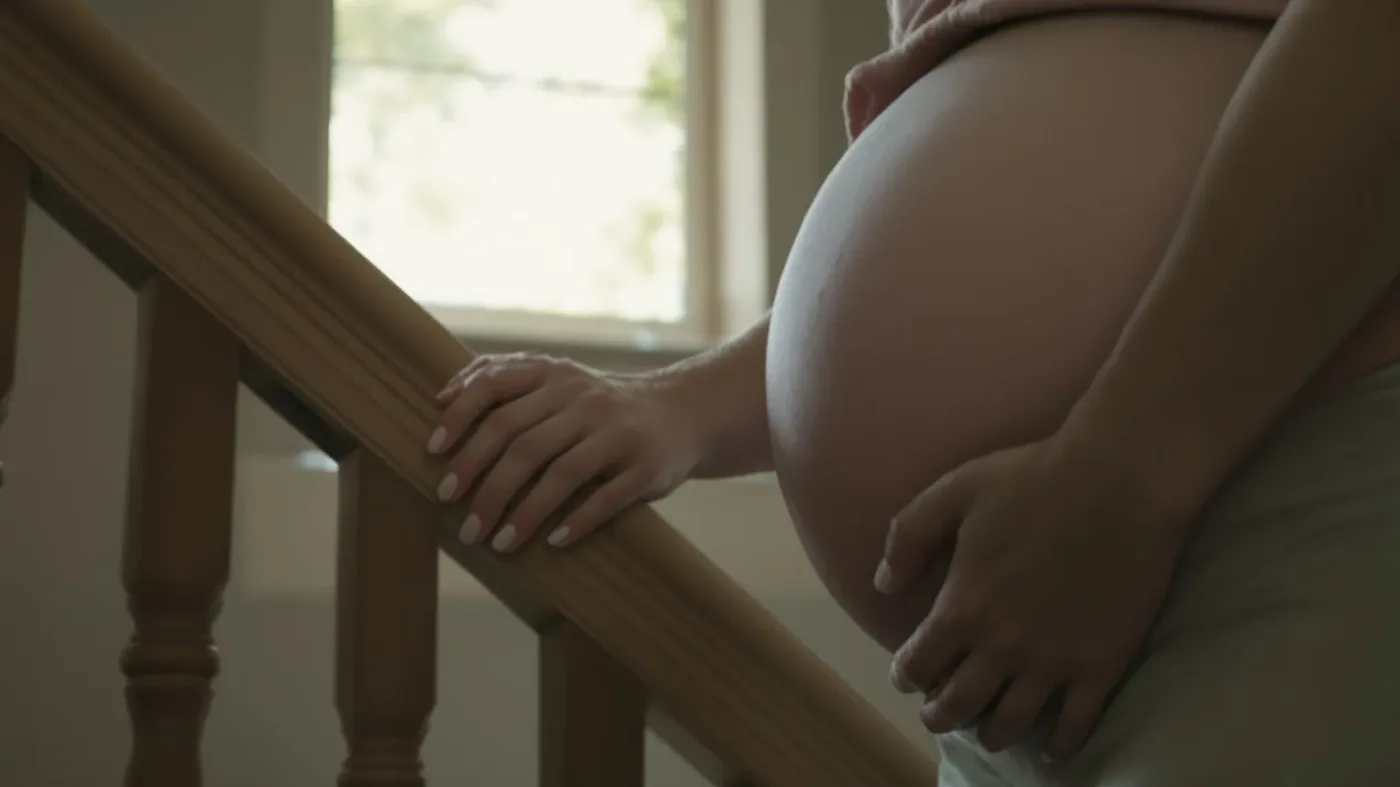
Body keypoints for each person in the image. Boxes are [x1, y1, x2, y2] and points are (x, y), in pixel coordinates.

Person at [426, 1, 1400, 783]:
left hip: (1297, 486)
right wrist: (682, 403)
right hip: (1011, 658)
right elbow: (1023, 241)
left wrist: (1130, 472)